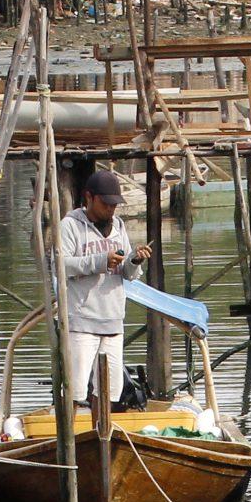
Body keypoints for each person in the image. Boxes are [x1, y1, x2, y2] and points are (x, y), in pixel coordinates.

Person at [58, 167, 152, 411]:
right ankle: (72, 440)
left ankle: (101, 438)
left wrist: (135, 260)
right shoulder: (70, 226)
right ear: (88, 198)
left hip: (112, 320)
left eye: (114, 205)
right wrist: (101, 261)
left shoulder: (119, 226)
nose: (111, 209)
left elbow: (127, 274)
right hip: (81, 320)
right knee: (75, 390)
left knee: (109, 391)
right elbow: (61, 265)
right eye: (105, 204)